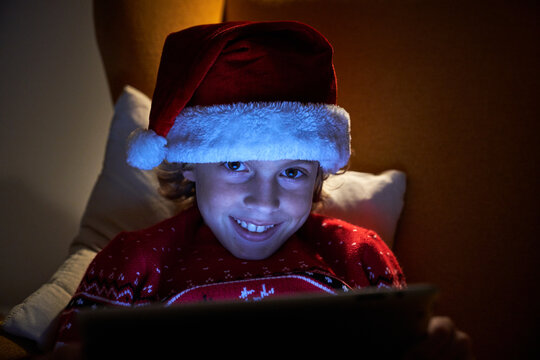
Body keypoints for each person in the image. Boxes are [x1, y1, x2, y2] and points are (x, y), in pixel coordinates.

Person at [47, 21, 473, 359]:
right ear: (190, 165)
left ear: (320, 176)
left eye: (292, 172)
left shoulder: (359, 258)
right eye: (235, 165)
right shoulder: (131, 265)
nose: (264, 202)